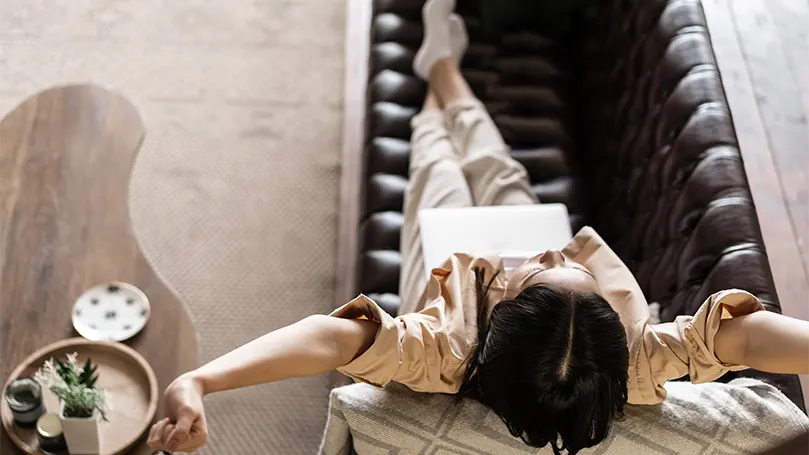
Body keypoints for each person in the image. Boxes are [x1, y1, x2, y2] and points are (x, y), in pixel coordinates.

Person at [147, 1, 809, 454]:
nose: (549, 251)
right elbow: (740, 334)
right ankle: (443, 70)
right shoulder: (633, 362)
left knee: (434, 155)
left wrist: (203, 379)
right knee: (495, 163)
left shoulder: (439, 349)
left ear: (494, 320)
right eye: (567, 264)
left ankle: (437, 78)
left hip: (447, 243)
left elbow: (329, 337)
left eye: (539, 267)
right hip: (519, 220)